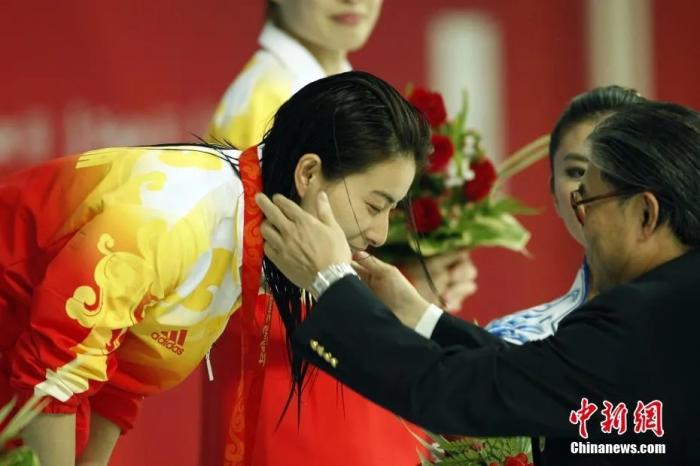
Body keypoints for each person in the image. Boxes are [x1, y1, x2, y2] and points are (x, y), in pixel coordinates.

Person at [0, 71, 430, 466]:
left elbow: (118, 381)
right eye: (374, 205)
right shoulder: (170, 221)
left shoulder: (249, 226)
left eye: (391, 209)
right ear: (309, 173)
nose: (379, 233)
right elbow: (53, 374)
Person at [256, 100, 700, 465]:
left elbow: (452, 389)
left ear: (646, 214)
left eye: (588, 201)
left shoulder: (644, 318)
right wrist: (416, 313)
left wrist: (331, 281)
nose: (583, 221)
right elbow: (527, 379)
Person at [206, 2, 472, 464]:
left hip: (334, 380)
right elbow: (275, 265)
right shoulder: (266, 99)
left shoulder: (340, 90)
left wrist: (409, 296)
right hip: (295, 391)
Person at [485, 85, 645, 343]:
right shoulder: (511, 341)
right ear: (554, 195)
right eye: (576, 172)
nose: (593, 187)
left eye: (616, 168)